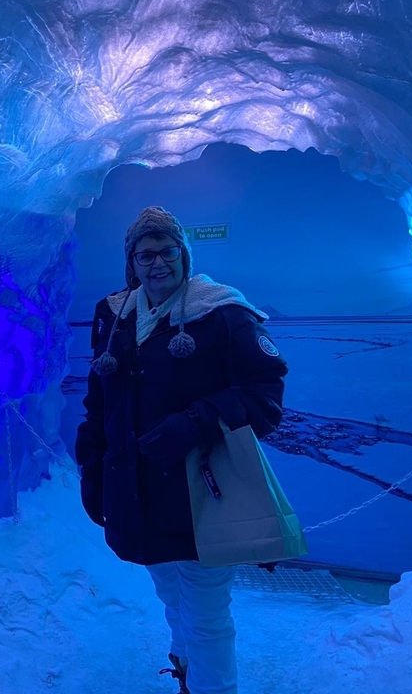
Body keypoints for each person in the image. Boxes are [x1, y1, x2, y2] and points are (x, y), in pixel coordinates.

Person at [75, 206, 289, 694]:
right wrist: (92, 467)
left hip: (201, 491)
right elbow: (99, 400)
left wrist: (195, 422)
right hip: (135, 488)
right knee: (170, 591)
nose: (158, 263)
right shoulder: (114, 315)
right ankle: (186, 670)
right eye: (146, 254)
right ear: (132, 262)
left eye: (168, 251)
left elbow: (265, 395)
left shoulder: (222, 313)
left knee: (206, 611)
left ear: (184, 255)